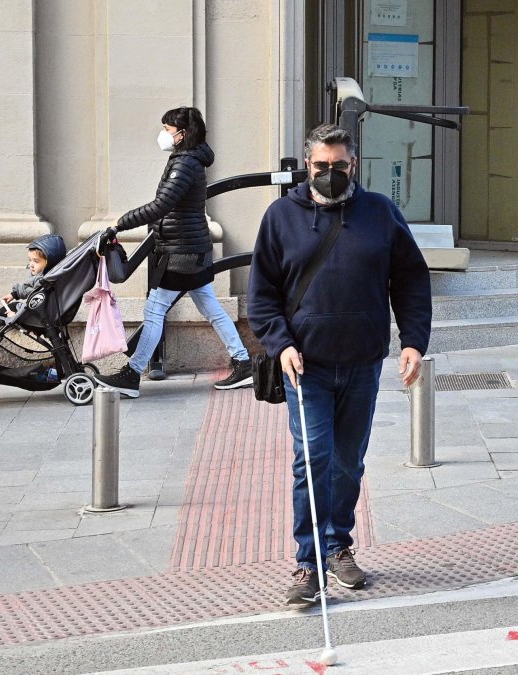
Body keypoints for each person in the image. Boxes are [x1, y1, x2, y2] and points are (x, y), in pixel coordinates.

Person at [248, 123, 432, 607]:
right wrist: (280, 343)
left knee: (348, 463)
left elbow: (410, 280)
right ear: (307, 166)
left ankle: (338, 545)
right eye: (320, 166)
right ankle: (308, 561)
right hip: (304, 366)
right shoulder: (280, 217)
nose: (330, 174)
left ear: (355, 165)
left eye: (340, 166)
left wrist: (413, 341)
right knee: (313, 459)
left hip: (363, 362)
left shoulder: (381, 214)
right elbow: (261, 296)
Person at [92, 106, 252, 397]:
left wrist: (119, 223)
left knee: (155, 310)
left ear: (182, 134)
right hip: (193, 248)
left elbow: (161, 205)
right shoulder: (190, 160)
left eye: (167, 129)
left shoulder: (184, 165)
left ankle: (131, 374)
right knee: (210, 307)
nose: (163, 135)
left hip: (182, 253)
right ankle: (243, 362)